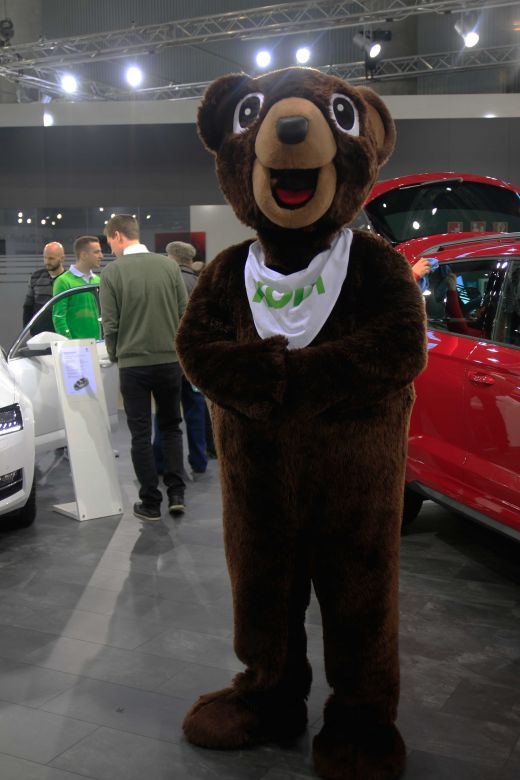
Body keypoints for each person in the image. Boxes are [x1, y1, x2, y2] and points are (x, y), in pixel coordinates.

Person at [99, 215, 188, 521]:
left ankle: (150, 503)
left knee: (139, 434)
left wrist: (115, 354)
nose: (109, 247)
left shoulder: (112, 273)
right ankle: (177, 494)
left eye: (109, 240)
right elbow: (184, 313)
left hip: (133, 365)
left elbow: (111, 325)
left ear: (118, 235)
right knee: (171, 427)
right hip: (169, 362)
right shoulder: (169, 266)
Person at [157, 241, 208, 475]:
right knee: (195, 410)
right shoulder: (200, 283)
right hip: (194, 360)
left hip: (170, 357)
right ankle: (199, 460)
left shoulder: (166, 282)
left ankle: (161, 462)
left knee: (166, 412)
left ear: (172, 257)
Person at [52, 236, 103, 339]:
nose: (101, 256)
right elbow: (59, 317)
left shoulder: (98, 281)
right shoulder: (63, 281)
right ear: (83, 255)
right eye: (96, 252)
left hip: (98, 343)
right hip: (76, 346)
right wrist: (69, 344)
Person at [22, 241, 65, 334]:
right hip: (39, 333)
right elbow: (28, 306)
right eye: (45, 257)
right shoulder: (36, 277)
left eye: (51, 258)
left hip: (62, 333)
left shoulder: (68, 279)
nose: (47, 262)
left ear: (62, 258)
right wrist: (27, 330)